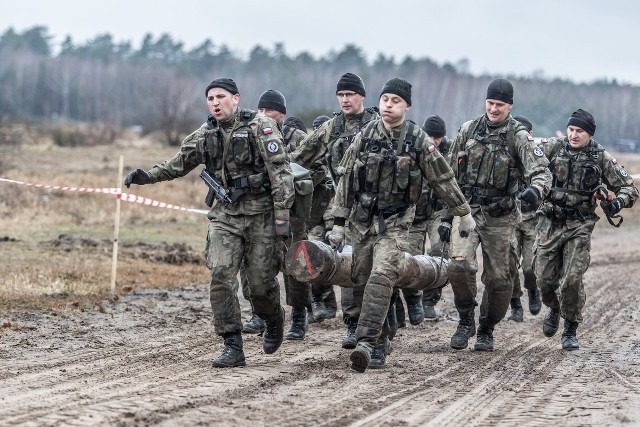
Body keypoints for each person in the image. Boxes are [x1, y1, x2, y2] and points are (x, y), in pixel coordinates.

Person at [124, 78, 294, 367]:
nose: (215, 103)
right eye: (210, 98)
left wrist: (281, 218)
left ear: (236, 98)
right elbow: (178, 164)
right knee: (221, 275)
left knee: (260, 285)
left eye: (221, 97)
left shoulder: (260, 127)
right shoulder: (205, 134)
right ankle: (232, 344)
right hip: (225, 216)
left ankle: (272, 317)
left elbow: (281, 173)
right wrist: (147, 176)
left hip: (261, 214)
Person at [326, 78, 475, 372]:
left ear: (407, 105)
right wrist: (339, 223)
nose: (388, 105)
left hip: (396, 223)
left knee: (382, 275)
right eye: (385, 100)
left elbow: (441, 178)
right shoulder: (365, 135)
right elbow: (346, 181)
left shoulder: (417, 140)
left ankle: (366, 343)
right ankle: (380, 343)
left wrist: (463, 212)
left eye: (395, 101)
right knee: (360, 279)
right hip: (363, 222)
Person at [446, 78, 552, 352]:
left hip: (501, 216)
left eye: (500, 105)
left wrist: (535, 191)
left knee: (500, 280)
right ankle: (466, 318)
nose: (494, 109)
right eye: (491, 103)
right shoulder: (469, 130)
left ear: (510, 106)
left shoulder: (518, 136)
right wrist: (446, 214)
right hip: (468, 212)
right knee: (458, 266)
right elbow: (446, 172)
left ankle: (486, 328)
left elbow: (541, 171)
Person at [536, 108, 638, 350]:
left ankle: (570, 329)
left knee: (572, 278)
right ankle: (554, 307)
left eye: (579, 131)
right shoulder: (553, 147)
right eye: (571, 130)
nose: (573, 135)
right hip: (550, 223)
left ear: (589, 134)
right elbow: (529, 164)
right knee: (544, 280)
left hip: (579, 225)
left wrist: (617, 203)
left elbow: (629, 187)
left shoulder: (600, 156)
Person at [291, 72, 379, 349]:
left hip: (380, 208)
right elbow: (300, 157)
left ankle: (382, 322)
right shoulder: (331, 128)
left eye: (350, 95)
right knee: (351, 266)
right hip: (347, 206)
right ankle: (354, 324)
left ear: (362, 97)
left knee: (379, 269)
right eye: (341, 95)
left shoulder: (378, 125)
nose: (345, 100)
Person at [248, 89, 312, 341]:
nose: (263, 115)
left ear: (281, 114)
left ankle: (298, 315)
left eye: (269, 111)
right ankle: (259, 314)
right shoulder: (252, 134)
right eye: (260, 110)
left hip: (291, 212)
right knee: (253, 262)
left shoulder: (295, 137)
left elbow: (306, 168)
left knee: (295, 265)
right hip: (260, 211)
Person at [506, 115, 542, 322]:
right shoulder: (506, 156)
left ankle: (533, 289)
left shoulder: (536, 157)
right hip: (511, 219)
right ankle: (516, 305)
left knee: (529, 266)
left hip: (532, 220)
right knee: (509, 266)